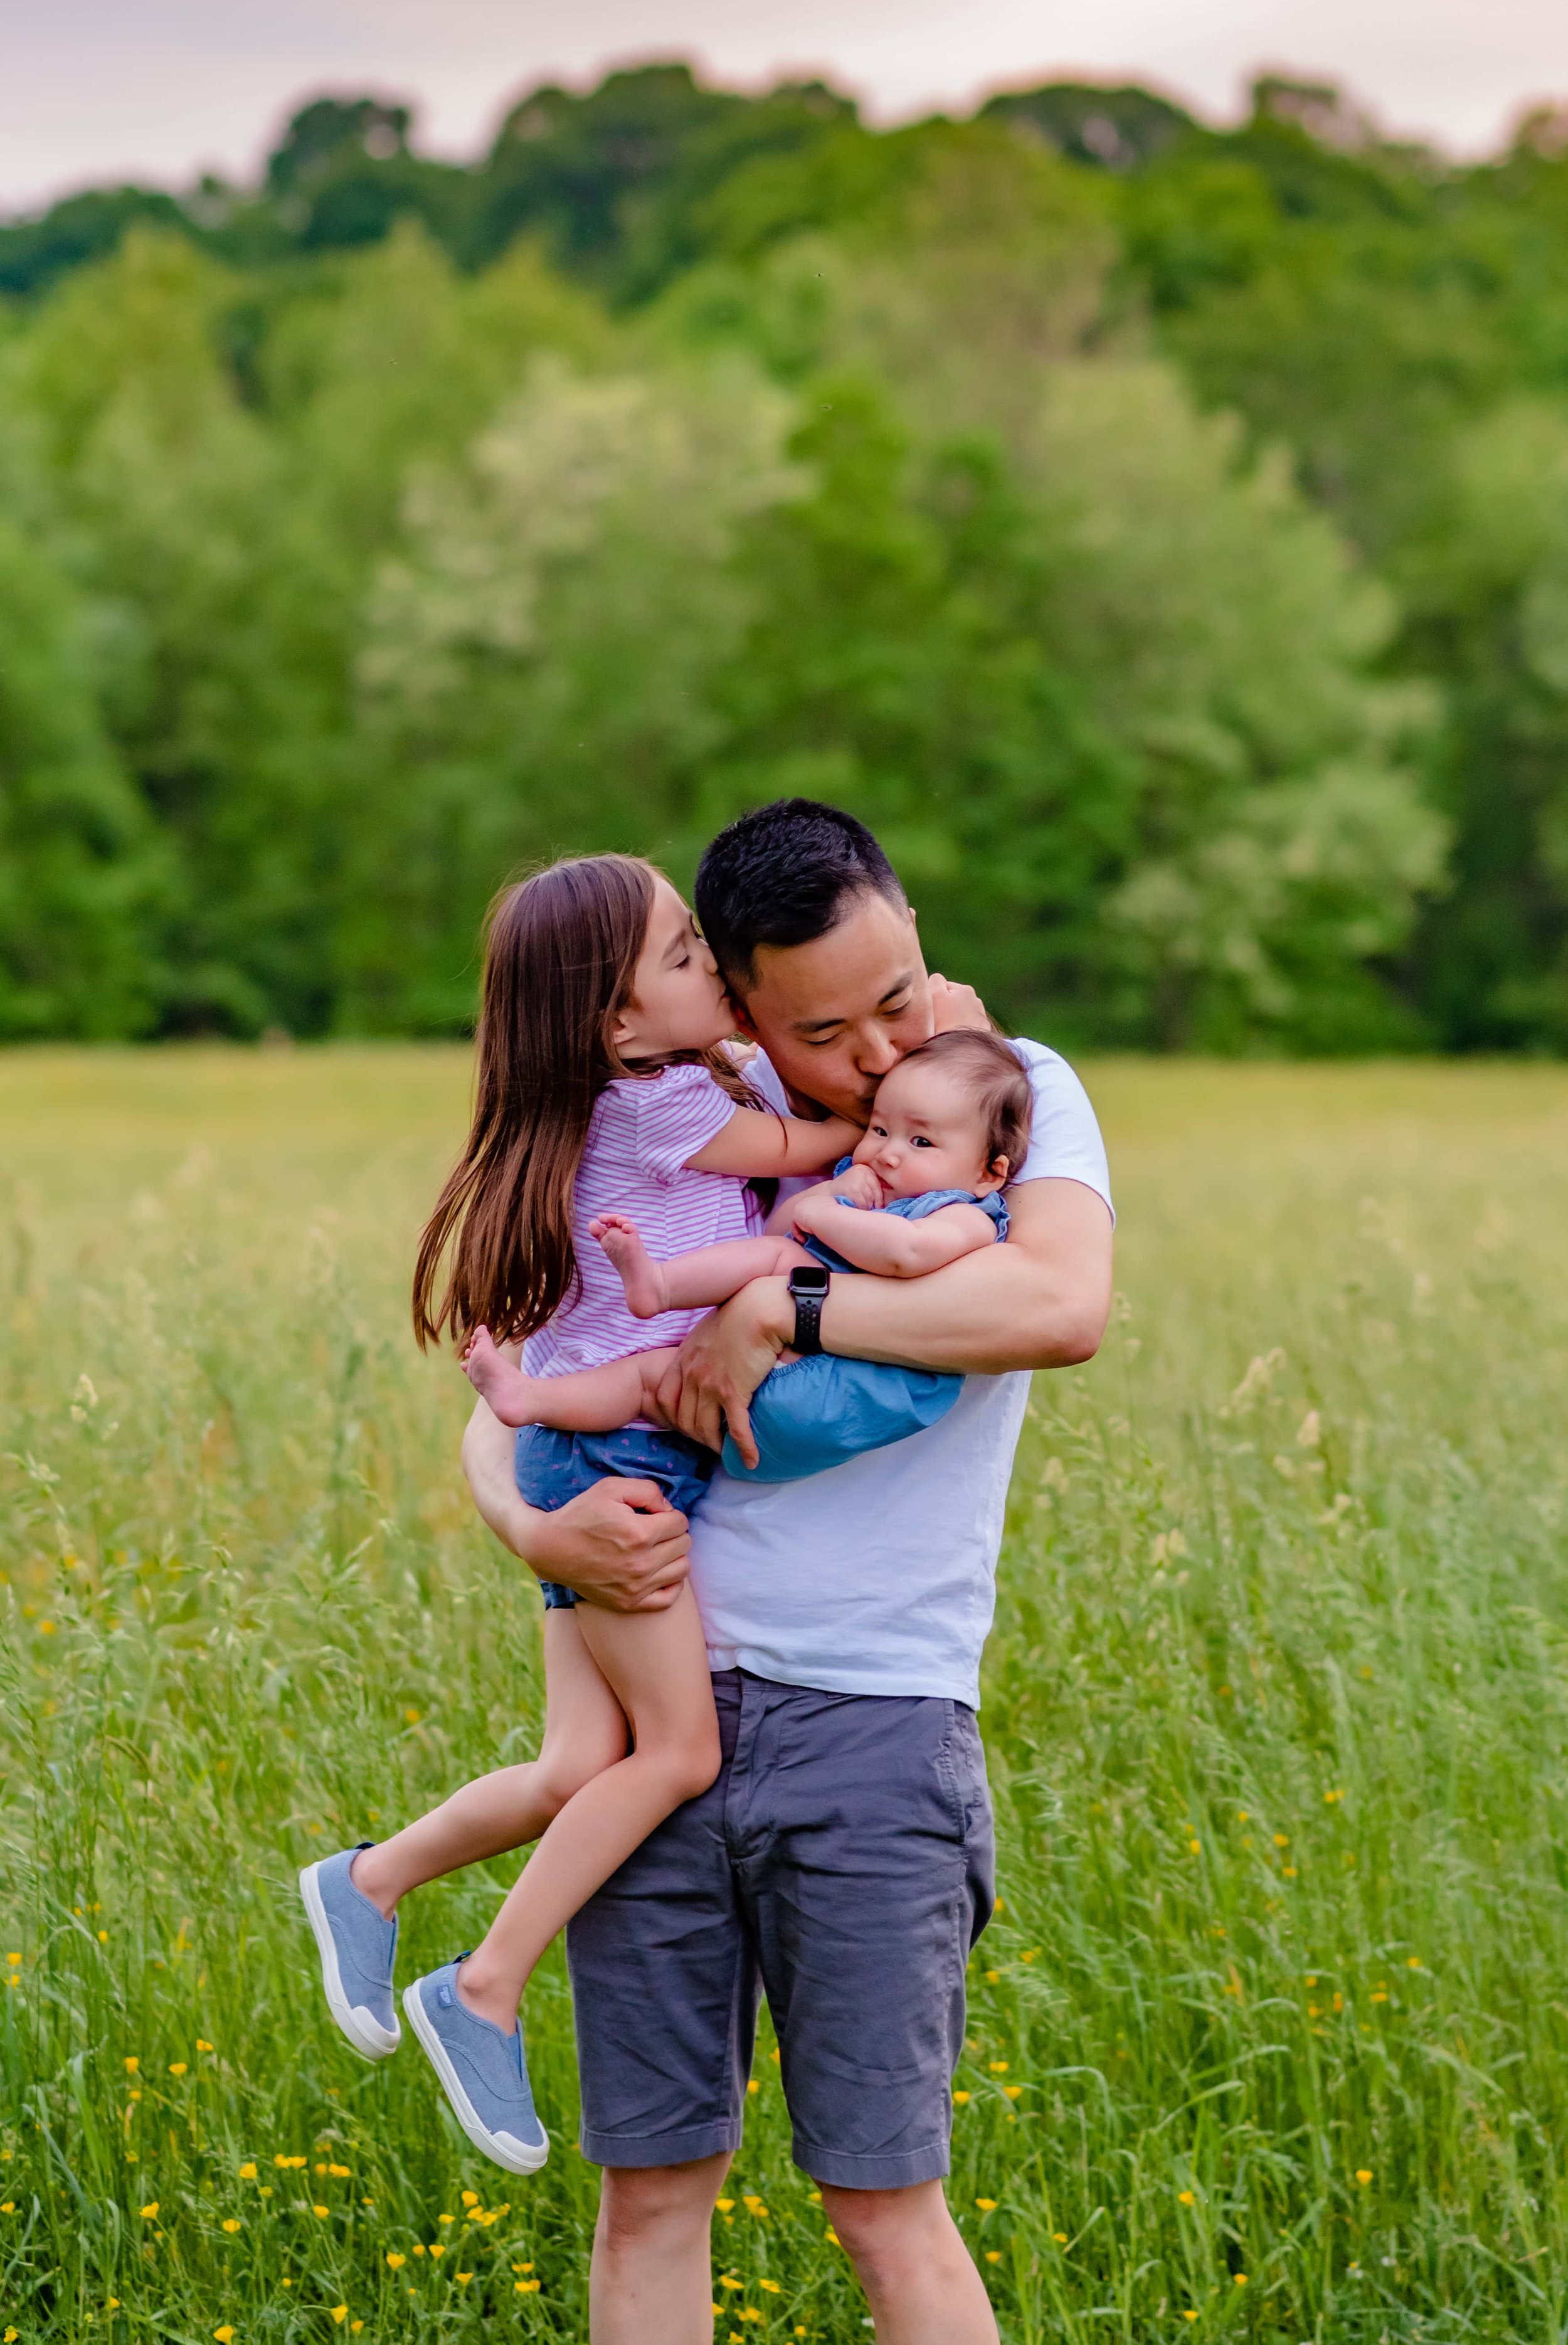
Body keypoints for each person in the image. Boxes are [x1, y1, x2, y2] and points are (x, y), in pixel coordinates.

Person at [461, 800, 1115, 2345]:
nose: (885, 1055)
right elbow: (531, 1391)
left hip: (874, 1722)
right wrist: (534, 1531)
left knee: (883, 2205)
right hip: (657, 1717)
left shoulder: (1010, 1095)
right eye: (829, 1030)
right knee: (651, 2187)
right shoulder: (694, 1110)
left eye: (901, 995)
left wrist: (784, 1316)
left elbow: (1054, 1303)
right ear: (740, 1012)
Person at [299, 852, 857, 2174]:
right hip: (623, 1472)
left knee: (570, 1767)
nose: (711, 968)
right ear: (613, 1026)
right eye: (681, 956)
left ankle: (367, 1882)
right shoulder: (656, 1107)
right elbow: (822, 1142)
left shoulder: (668, 1081)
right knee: (674, 1758)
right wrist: (920, 1065)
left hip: (577, 1457)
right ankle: (481, 1985)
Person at [465, 1026, 1031, 1483]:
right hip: (753, 1398)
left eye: (921, 1142)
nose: (887, 1154)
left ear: (990, 1172)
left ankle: (660, 1289)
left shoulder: (967, 1213)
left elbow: (905, 1255)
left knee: (781, 1262)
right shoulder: (861, 1189)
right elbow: (785, 1230)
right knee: (649, 1377)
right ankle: (541, 1390)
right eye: (879, 1128)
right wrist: (823, 1195)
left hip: (839, 1387)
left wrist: (826, 1213)